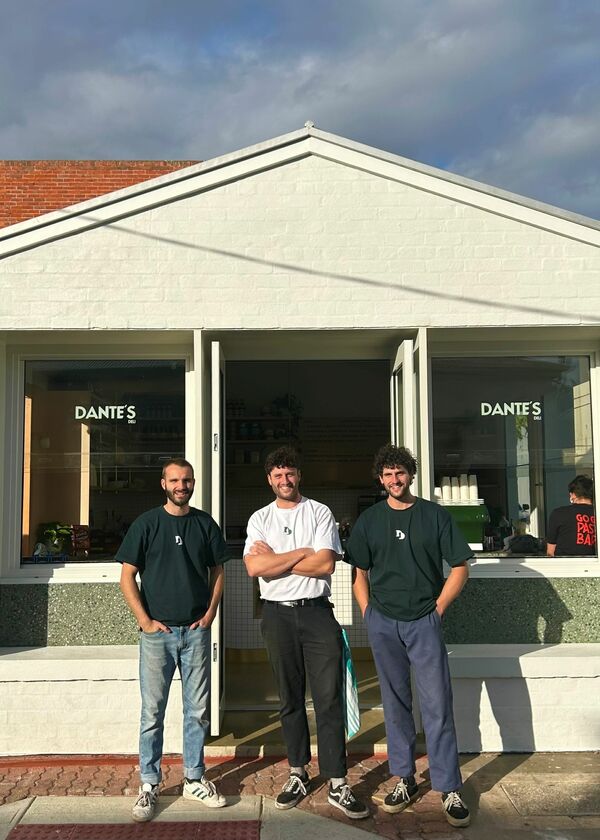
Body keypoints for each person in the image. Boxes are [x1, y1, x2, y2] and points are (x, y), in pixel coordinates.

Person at [344, 444, 472, 828]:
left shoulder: (435, 516)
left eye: (400, 473)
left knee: (437, 703)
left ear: (411, 475)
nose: (394, 480)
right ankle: (404, 779)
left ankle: (449, 786)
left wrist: (438, 609)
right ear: (380, 479)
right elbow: (359, 574)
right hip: (384, 621)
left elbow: (460, 567)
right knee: (395, 703)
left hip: (423, 620)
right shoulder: (370, 520)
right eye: (387, 475)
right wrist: (368, 612)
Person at [243, 446, 369, 820]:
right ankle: (297, 772)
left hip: (316, 616)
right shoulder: (260, 518)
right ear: (270, 480)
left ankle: (337, 781)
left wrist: (278, 561)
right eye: (278, 475)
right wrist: (302, 553)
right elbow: (254, 569)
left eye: (290, 473)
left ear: (299, 475)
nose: (285, 480)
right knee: (290, 698)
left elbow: (326, 563)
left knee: (328, 699)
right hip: (277, 617)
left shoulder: (319, 512)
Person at [117, 458, 230, 822]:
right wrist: (146, 621)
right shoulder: (147, 524)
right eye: (175, 480)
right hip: (158, 636)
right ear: (163, 483)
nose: (182, 486)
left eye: (187, 480)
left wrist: (210, 613)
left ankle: (194, 778)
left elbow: (218, 571)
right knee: (152, 713)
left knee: (196, 712)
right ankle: (149, 784)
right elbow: (127, 577)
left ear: (193, 483)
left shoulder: (204, 524)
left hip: (195, 632)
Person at [547, 475, 596, 557]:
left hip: (564, 566)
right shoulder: (596, 513)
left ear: (573, 495)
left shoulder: (559, 513)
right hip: (592, 566)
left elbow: (550, 552)